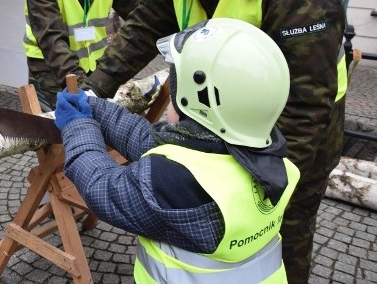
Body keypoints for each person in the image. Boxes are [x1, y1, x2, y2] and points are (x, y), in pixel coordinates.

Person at [82, 0, 352, 280]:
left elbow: (304, 113)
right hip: (218, 131)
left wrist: (262, 197)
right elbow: (144, 27)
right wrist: (94, 90)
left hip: (295, 148)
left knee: (278, 248)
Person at [55, 18, 300, 283]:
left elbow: (101, 186)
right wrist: (95, 108)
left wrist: (77, 126)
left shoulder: (174, 182)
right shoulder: (268, 160)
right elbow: (151, 143)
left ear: (198, 100)